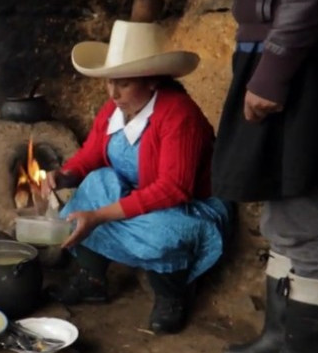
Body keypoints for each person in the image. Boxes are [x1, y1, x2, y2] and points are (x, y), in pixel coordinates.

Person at [42, 20, 230, 334]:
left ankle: (172, 294)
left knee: (161, 233)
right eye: (109, 82)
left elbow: (174, 188)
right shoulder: (114, 109)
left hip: (185, 207)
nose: (113, 92)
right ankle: (92, 279)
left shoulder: (178, 114)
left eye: (124, 83)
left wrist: (101, 216)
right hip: (136, 198)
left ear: (153, 80)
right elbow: (93, 154)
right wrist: (64, 175)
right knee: (94, 183)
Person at [212, 1, 318, 352]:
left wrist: (273, 66)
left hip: (300, 63)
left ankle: (300, 345)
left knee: (307, 216)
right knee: (283, 210)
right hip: (278, 57)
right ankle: (277, 338)